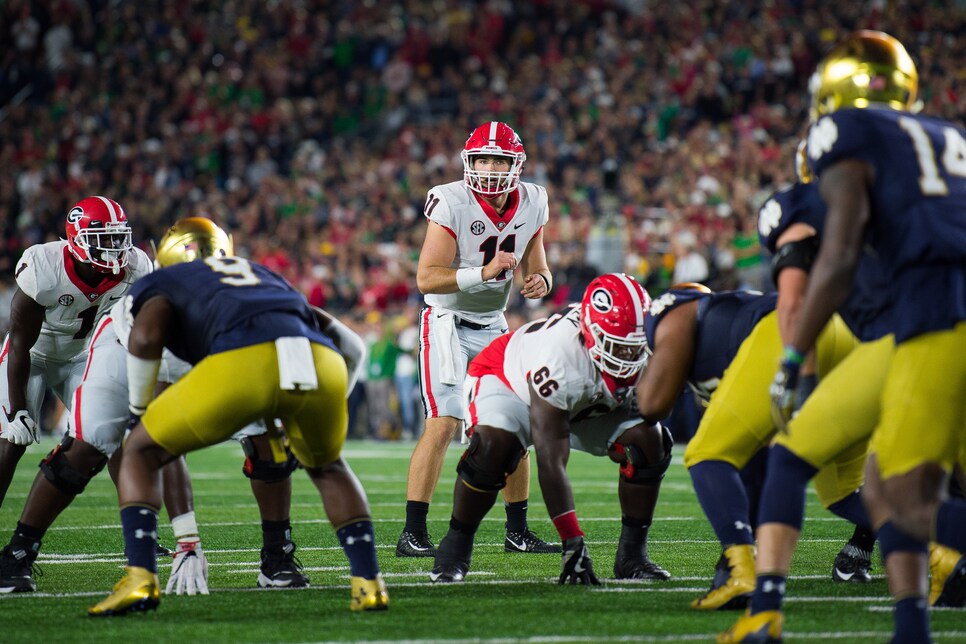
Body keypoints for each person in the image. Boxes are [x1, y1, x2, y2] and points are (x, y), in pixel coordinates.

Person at [747, 30, 966, 643]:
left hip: (936, 313)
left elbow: (839, 257)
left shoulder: (844, 134)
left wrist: (792, 357)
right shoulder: (949, 134)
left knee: (909, 501)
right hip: (917, 326)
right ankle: (906, 627)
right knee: (865, 479)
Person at [0, 218, 317, 594]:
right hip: (118, 355)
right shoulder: (150, 305)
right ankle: (17, 555)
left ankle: (276, 557)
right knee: (88, 448)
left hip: (198, 359)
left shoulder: (258, 289)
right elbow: (162, 435)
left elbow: (324, 335)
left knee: (270, 440)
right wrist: (188, 539)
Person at [88, 252, 386, 615]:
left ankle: (140, 579)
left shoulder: (162, 281)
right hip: (318, 361)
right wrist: (319, 413)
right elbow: (353, 346)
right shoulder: (264, 276)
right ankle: (370, 585)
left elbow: (147, 337)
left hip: (244, 360)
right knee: (328, 466)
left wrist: (138, 413)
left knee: (139, 450)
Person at [429, 273, 671, 584]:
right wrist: (573, 542)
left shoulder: (645, 343)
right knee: (493, 449)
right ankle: (454, 549)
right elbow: (551, 459)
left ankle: (632, 557)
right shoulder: (560, 357)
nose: (628, 359)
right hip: (507, 381)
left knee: (650, 441)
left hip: (581, 395)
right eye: (617, 347)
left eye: (635, 348)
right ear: (591, 333)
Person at [635, 283, 858, 612]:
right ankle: (948, 549)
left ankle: (744, 574)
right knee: (843, 492)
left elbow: (652, 405)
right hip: (838, 334)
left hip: (787, 333)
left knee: (705, 454)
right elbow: (753, 463)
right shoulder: (723, 325)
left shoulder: (671, 313)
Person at [399, 121, 558, 557]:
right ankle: (413, 533)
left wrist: (541, 280)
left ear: (516, 165)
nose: (490, 168)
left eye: (499, 159)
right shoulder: (451, 200)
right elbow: (426, 277)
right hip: (447, 322)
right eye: (483, 159)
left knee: (516, 423)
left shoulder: (533, 201)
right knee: (444, 422)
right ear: (469, 162)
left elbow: (537, 265)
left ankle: (517, 530)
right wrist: (482, 273)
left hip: (493, 323)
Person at [0, 196, 151, 505]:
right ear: (77, 239)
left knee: (116, 438)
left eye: (117, 237)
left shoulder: (136, 268)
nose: (113, 246)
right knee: (11, 440)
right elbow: (18, 344)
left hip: (83, 356)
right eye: (103, 238)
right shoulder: (44, 267)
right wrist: (17, 411)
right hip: (33, 355)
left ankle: (140, 529)